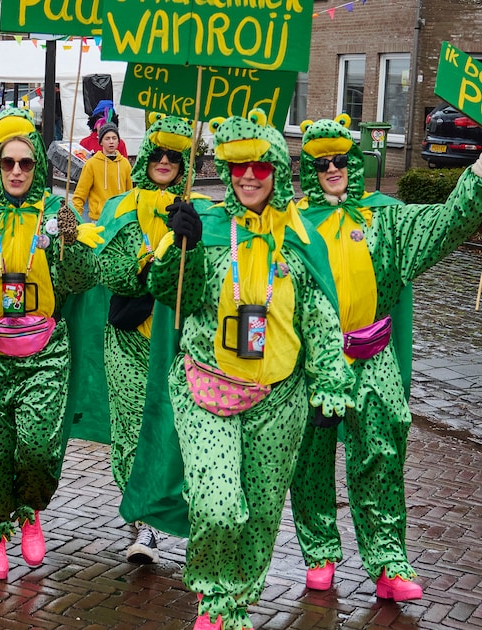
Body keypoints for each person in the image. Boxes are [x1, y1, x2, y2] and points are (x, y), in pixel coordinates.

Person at [144, 109, 355, 630]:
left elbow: (321, 315)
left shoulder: (301, 238)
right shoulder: (207, 226)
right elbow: (175, 297)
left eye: (260, 167)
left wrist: (331, 382)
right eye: (239, 168)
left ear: (277, 172)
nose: (248, 178)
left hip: (279, 397)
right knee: (217, 506)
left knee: (261, 514)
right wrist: (180, 249)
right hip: (207, 387)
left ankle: (237, 602)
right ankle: (212, 601)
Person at [289, 115, 482, 601]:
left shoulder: (385, 216)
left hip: (372, 354)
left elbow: (441, 226)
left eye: (339, 159)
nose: (332, 168)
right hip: (313, 362)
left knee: (381, 452)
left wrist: (477, 176)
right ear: (310, 168)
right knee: (310, 458)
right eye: (321, 162)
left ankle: (388, 560)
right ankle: (319, 552)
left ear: (353, 162)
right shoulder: (290, 223)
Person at [0, 108, 105, 580]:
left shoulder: (57, 215)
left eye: (26, 163)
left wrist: (72, 241)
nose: (17, 171)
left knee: (38, 449)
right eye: (7, 163)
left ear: (38, 166)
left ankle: (31, 510)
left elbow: (80, 282)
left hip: (45, 354)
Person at [94, 113, 210, 564]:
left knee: (178, 432)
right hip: (127, 339)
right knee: (131, 430)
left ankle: (182, 514)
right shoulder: (121, 207)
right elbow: (108, 269)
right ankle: (141, 523)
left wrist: (192, 242)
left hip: (177, 344)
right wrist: (145, 266)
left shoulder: (202, 209)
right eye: (158, 154)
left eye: (175, 156)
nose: (165, 162)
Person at [73, 123, 132, 221]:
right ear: (101, 142)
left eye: (114, 138)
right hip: (98, 219)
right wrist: (74, 219)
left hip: (119, 219)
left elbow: (129, 194)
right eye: (107, 138)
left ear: (118, 141)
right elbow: (80, 194)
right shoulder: (91, 164)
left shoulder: (125, 164)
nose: (111, 142)